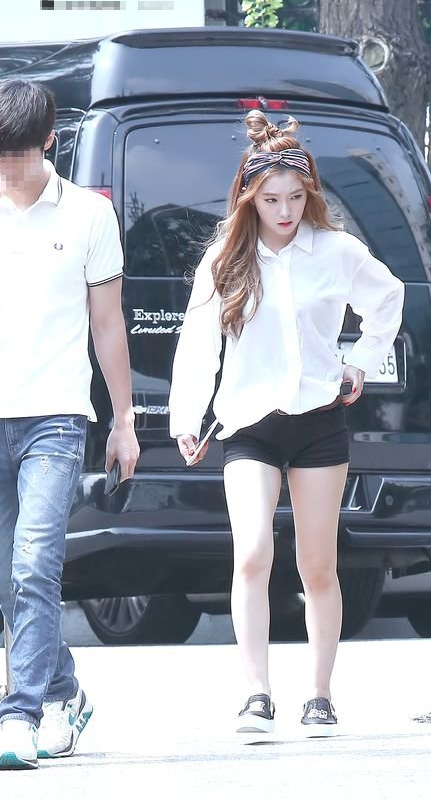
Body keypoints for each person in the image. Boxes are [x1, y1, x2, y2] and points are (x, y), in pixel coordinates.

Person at [169, 110, 404, 738]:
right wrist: (187, 416)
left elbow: (389, 298)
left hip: (319, 421)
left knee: (317, 565)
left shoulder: (336, 251)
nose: (284, 210)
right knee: (251, 552)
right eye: (271, 199)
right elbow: (197, 342)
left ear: (310, 194)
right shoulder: (226, 256)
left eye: (295, 198)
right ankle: (256, 693)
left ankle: (319, 695)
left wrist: (361, 359)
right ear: (249, 196)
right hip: (248, 423)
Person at [0, 79, 141, 769]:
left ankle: (18, 715)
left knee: (34, 565)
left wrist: (124, 421)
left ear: (49, 142)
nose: (9, 168)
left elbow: (107, 324)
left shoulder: (88, 214)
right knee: (8, 577)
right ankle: (64, 691)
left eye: (20, 155)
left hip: (54, 418)